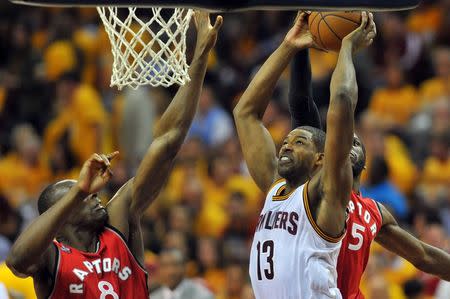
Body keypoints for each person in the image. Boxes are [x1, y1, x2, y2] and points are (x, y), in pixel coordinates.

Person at [5, 11, 223, 299]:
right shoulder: (52, 258)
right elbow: (16, 261)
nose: (94, 196)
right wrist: (77, 191)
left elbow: (167, 142)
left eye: (88, 194)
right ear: (62, 217)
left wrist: (200, 57)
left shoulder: (117, 223)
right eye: (84, 198)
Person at [287, 20, 450, 299]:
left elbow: (423, 256)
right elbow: (303, 103)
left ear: (365, 161)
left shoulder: (374, 211)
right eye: (344, 140)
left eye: (356, 141)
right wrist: (301, 49)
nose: (349, 143)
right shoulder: (316, 190)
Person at [233, 11, 376, 299]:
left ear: (321, 159)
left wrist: (346, 47)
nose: (285, 145)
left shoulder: (327, 193)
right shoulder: (275, 188)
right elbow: (245, 113)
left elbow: (342, 100)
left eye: (298, 141)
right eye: (286, 140)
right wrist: (289, 46)